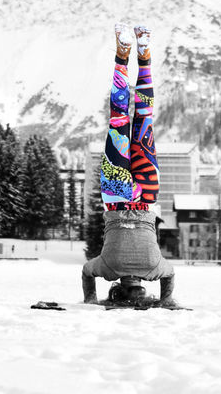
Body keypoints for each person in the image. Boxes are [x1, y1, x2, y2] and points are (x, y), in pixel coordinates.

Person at [81, 23, 177, 306]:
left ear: (140, 290)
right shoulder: (107, 269)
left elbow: (170, 276)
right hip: (115, 195)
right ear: (117, 289)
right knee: (119, 117)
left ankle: (144, 55)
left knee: (144, 116)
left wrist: (166, 300)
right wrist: (90, 300)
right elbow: (86, 272)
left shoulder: (154, 269)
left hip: (147, 197)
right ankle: (123, 55)